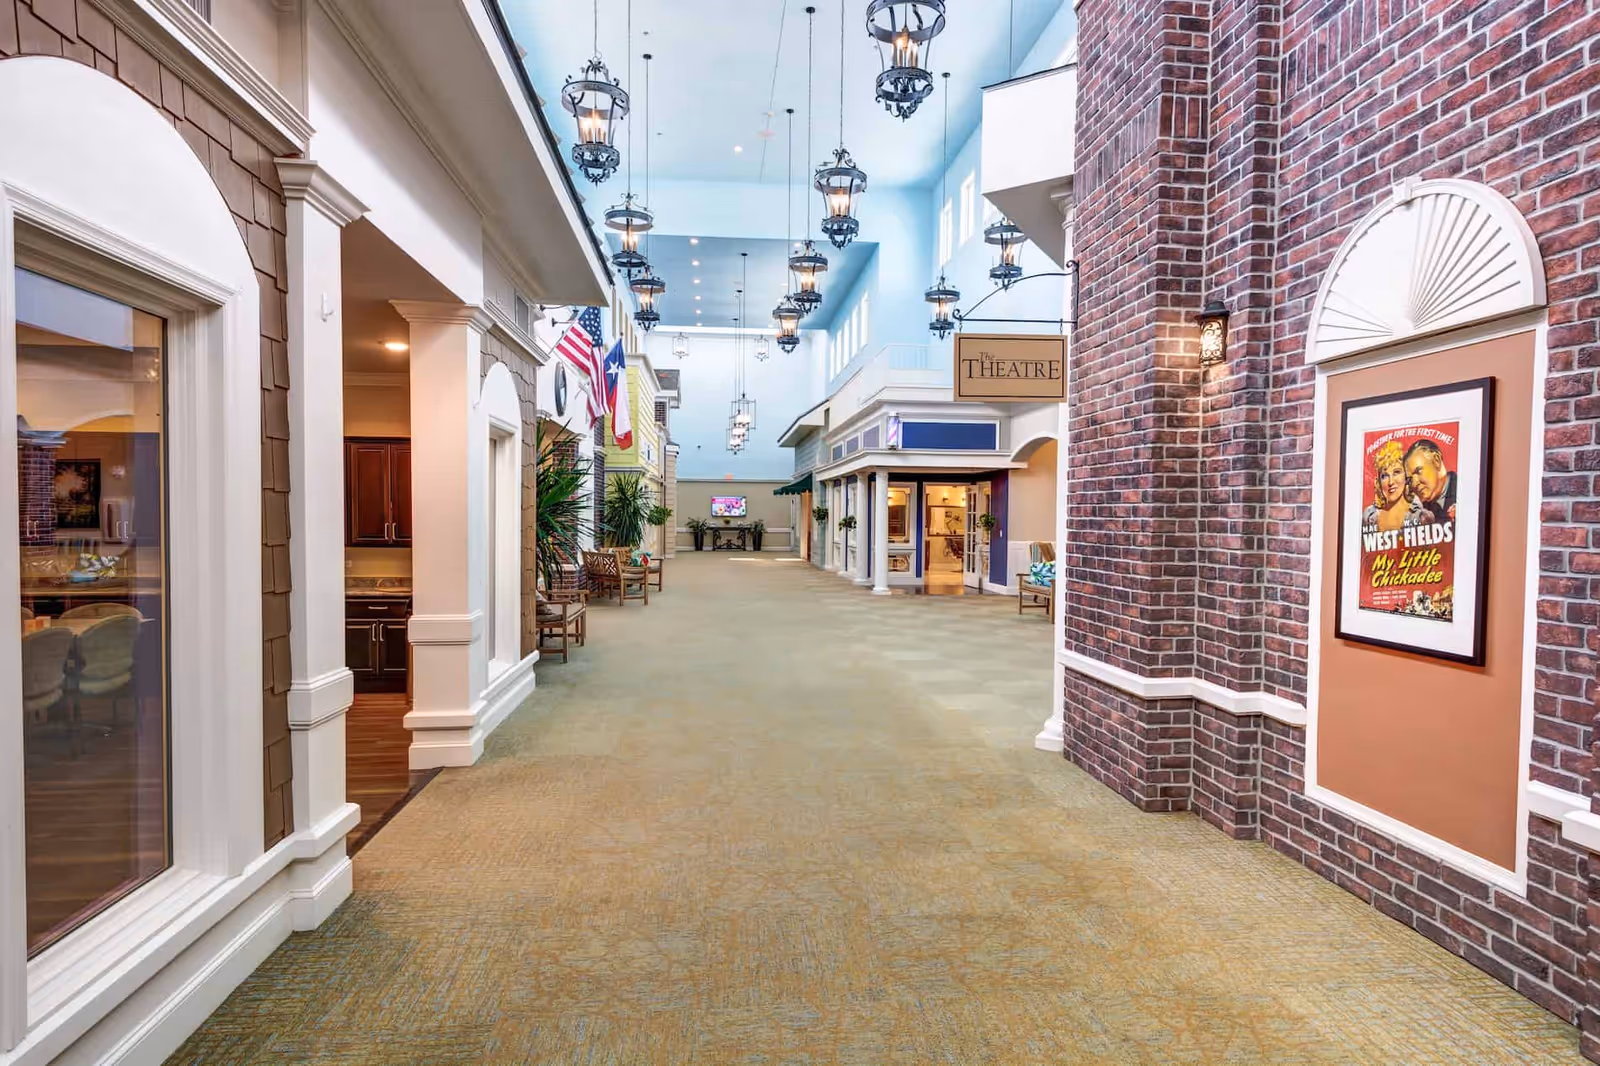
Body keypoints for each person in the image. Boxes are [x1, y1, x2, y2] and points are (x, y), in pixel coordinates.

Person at [1361, 440, 1421, 531]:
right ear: (1379, 482)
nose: (1390, 482)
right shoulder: (1369, 517)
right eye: (1385, 476)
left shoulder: (1421, 516)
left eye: (1396, 472)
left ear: (1406, 476)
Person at [1403, 438, 1456, 524]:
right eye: (1410, 479)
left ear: (1436, 461)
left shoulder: (1464, 489)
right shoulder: (1420, 510)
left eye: (1418, 471)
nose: (1414, 483)